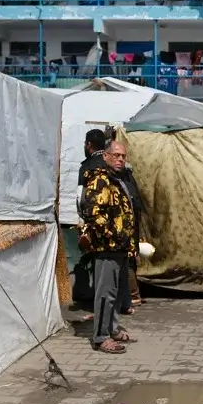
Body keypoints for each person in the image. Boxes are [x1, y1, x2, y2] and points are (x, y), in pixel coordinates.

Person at [78, 139, 136, 354]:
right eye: (116, 155)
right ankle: (101, 337)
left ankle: (111, 329)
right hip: (107, 247)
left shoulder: (116, 180)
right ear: (106, 156)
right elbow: (92, 213)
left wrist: (127, 242)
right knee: (105, 293)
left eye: (123, 156)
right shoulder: (100, 180)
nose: (120, 159)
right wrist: (112, 236)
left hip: (119, 247)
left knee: (114, 293)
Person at [72, 129, 110, 317]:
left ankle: (99, 305)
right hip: (115, 224)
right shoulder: (112, 163)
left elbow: (80, 198)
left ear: (88, 145)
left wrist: (84, 220)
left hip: (95, 223)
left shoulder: (86, 167)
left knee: (98, 263)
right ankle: (118, 303)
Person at [118, 155, 146, 315]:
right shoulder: (130, 180)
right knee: (130, 259)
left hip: (127, 226)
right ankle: (133, 296)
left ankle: (133, 296)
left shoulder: (124, 182)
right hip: (132, 224)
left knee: (127, 261)